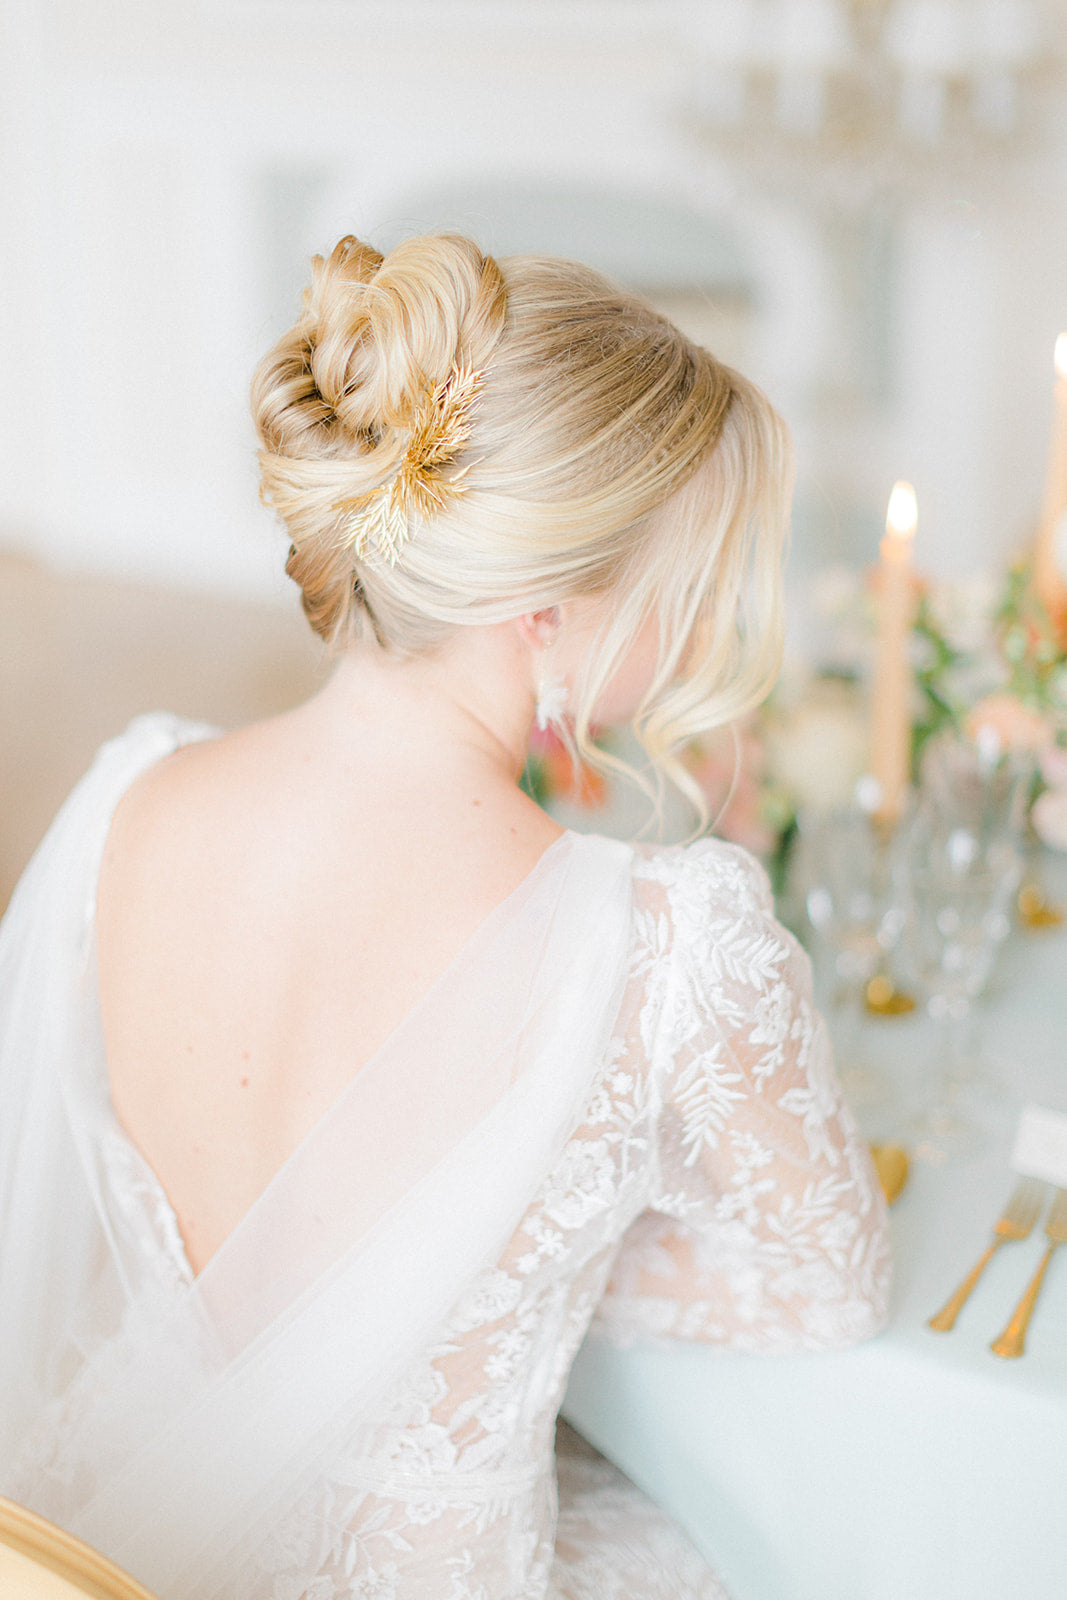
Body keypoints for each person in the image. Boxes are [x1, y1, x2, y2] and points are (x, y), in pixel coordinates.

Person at [0, 233, 889, 1600]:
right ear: (543, 607)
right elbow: (824, 1291)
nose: (698, 638)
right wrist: (534, 1245)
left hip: (89, 1541)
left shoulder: (129, 796)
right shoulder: (665, 936)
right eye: (681, 587)